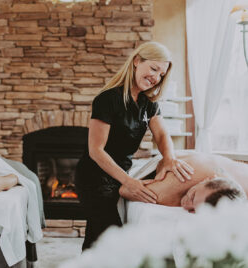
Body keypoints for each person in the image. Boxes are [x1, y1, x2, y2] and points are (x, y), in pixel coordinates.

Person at [75, 41, 194, 250]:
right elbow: (96, 150)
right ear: (137, 61)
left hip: (122, 174)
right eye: (154, 68)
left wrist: (169, 159)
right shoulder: (107, 99)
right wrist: (128, 182)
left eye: (161, 74)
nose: (156, 77)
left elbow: (162, 134)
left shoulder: (149, 103)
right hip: (94, 178)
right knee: (110, 237)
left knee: (98, 237)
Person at [120, 152, 248, 212]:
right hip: (154, 164)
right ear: (207, 179)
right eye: (192, 196)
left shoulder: (242, 181)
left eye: (193, 211)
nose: (186, 206)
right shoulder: (177, 183)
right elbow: (124, 190)